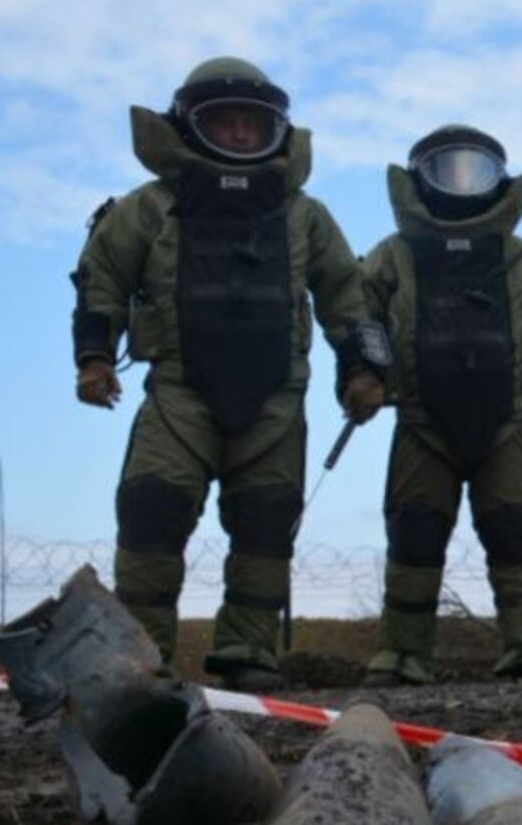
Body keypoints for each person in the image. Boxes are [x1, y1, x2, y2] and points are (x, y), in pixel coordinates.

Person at [70, 56, 388, 691]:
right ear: (190, 126)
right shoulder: (150, 207)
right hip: (178, 395)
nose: (242, 133)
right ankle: (143, 666)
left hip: (276, 401)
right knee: (151, 513)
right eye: (225, 121)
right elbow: (101, 278)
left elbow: (346, 297)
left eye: (254, 122)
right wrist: (95, 358)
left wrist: (363, 371)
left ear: (277, 130)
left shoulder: (304, 215)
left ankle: (248, 655)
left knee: (266, 526)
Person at [359, 125, 522, 686]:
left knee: (515, 529)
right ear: (421, 181)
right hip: (420, 422)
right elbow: (359, 317)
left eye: (476, 171)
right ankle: (402, 655)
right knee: (414, 534)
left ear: (498, 181)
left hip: (504, 423)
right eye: (449, 171)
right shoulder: (394, 255)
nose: (463, 183)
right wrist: (362, 376)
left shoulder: (516, 258)